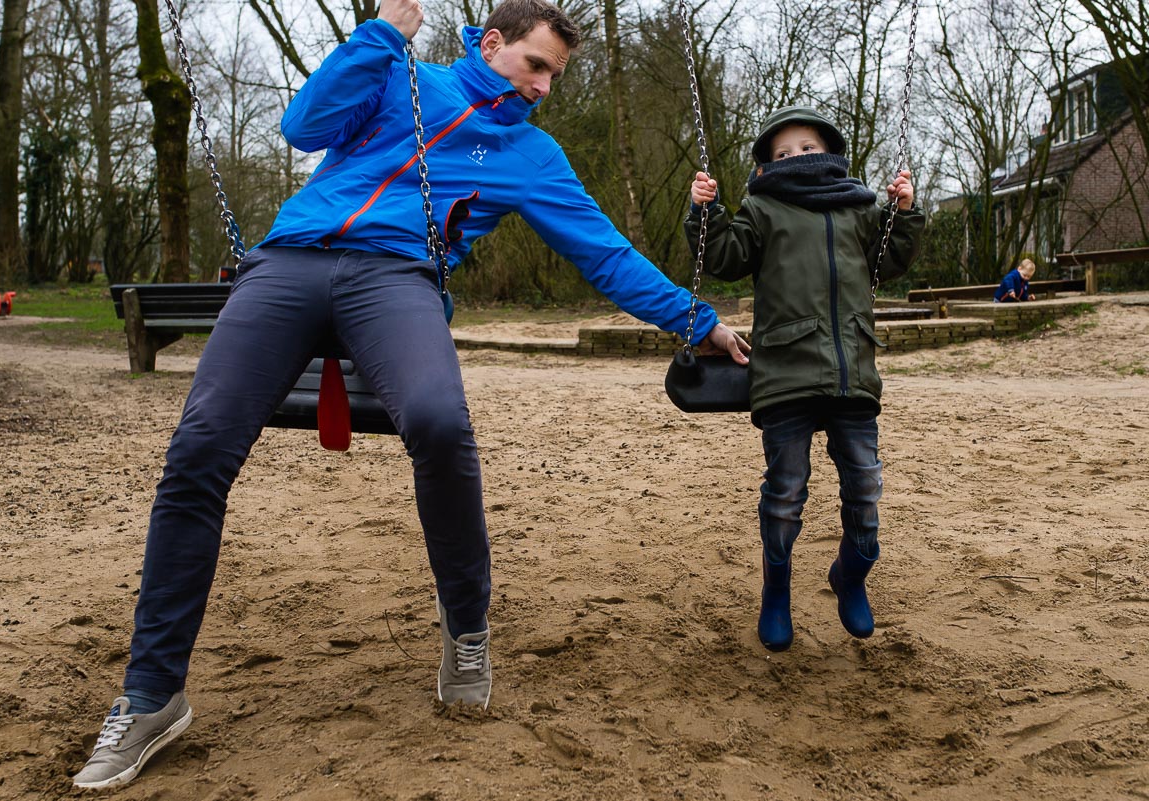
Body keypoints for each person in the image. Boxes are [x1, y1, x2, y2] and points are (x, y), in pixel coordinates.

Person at [72, 0, 749, 789]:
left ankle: (466, 627)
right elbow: (302, 125)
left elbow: (608, 255)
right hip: (289, 261)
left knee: (437, 419)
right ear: (491, 44)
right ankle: (152, 694)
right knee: (199, 444)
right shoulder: (401, 76)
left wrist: (696, 321)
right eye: (536, 66)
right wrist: (383, 32)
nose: (544, 89)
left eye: (556, 77)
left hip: (395, 278)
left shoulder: (529, 155)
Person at [685, 105, 925, 652]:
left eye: (807, 148)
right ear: (769, 164)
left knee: (865, 488)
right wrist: (706, 213)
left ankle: (852, 574)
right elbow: (722, 257)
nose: (797, 157)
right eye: (784, 153)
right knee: (786, 491)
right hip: (785, 372)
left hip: (853, 372)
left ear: (830, 152)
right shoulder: (761, 206)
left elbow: (890, 262)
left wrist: (903, 212)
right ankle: (777, 590)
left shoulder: (861, 207)